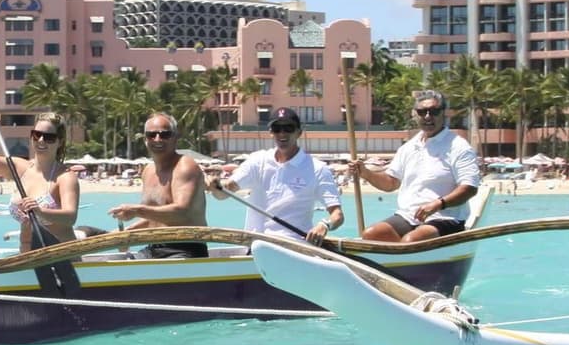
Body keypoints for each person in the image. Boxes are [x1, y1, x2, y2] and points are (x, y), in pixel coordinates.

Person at [350, 89, 482, 243]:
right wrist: (366, 173)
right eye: (422, 112)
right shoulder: (409, 147)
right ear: (414, 114)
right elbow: (390, 183)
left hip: (445, 217)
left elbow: (470, 188)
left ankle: (403, 259)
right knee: (371, 234)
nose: (427, 116)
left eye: (434, 111)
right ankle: (397, 263)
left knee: (411, 241)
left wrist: (438, 204)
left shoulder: (458, 146)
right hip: (409, 216)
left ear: (443, 113)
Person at [206, 107, 343, 246]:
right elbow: (223, 194)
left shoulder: (318, 168)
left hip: (296, 247)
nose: (282, 133)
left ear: (299, 132)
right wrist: (216, 187)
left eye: (288, 128)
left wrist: (324, 225)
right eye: (277, 128)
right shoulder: (257, 161)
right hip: (256, 245)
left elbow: (337, 215)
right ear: (271, 132)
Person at [0, 102, 80, 252]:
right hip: (28, 260)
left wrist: (40, 211)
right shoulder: (19, 168)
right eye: (37, 134)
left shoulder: (65, 177)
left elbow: (70, 217)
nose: (41, 140)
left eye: (49, 137)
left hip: (63, 259)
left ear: (59, 142)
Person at [108, 112, 209, 257]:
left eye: (164, 134)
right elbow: (155, 218)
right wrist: (128, 233)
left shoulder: (185, 166)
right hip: (153, 248)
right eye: (151, 135)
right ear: (145, 139)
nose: (157, 139)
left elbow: (182, 212)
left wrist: (136, 210)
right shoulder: (148, 171)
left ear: (175, 138)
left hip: (185, 249)